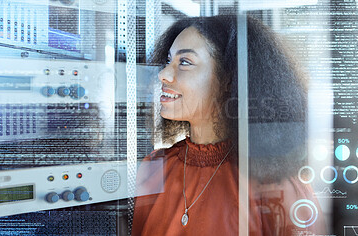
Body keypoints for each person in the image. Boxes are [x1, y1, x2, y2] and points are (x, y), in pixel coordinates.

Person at [132, 15, 326, 235]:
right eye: (168, 61)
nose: (163, 74)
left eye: (184, 62)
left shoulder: (274, 182)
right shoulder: (155, 167)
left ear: (229, 79)